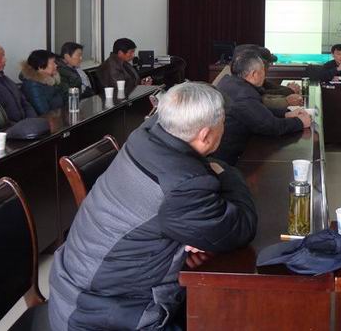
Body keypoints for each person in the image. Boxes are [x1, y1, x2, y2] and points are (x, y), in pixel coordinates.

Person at [48, 82, 257, 331]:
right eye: (223, 123)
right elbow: (241, 228)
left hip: (77, 284)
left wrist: (190, 230)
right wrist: (227, 174)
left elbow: (190, 208)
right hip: (102, 314)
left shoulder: (146, 134)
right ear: (204, 135)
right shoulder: (183, 186)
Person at [214, 51, 311, 165]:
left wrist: (286, 114)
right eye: (263, 71)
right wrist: (300, 122)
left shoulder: (230, 82)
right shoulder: (244, 95)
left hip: (230, 148)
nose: (265, 75)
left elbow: (258, 110)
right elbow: (271, 126)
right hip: (232, 157)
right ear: (254, 74)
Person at [212, 44, 302, 111]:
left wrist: (289, 90)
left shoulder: (241, 75)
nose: (268, 67)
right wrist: (287, 99)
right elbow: (261, 99)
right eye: (266, 64)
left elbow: (267, 88)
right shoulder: (235, 81)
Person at [20, 50, 64, 116]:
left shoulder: (49, 81)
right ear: (40, 67)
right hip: (47, 120)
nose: (56, 65)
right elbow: (44, 113)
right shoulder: (33, 86)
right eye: (53, 63)